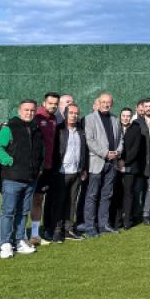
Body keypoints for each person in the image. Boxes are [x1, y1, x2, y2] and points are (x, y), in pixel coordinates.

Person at [0, 99, 44, 258]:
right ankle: (5, 244)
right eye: (26, 110)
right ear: (19, 111)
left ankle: (19, 240)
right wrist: (8, 161)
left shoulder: (36, 128)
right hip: (12, 177)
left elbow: (41, 151)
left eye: (32, 110)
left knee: (23, 212)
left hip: (30, 179)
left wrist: (39, 167)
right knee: (8, 212)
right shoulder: (9, 127)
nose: (29, 113)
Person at [82, 92, 123, 237]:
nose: (106, 104)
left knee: (107, 195)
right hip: (96, 162)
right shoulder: (89, 119)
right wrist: (105, 153)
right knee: (92, 195)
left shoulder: (115, 119)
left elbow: (121, 139)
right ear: (98, 103)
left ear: (112, 104)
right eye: (103, 102)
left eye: (108, 102)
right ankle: (90, 226)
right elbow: (90, 141)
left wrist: (117, 152)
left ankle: (103, 224)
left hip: (112, 163)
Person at [48, 103, 87, 241]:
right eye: (71, 113)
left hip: (76, 172)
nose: (74, 116)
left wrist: (83, 168)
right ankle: (57, 230)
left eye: (76, 113)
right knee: (59, 202)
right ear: (65, 114)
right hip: (61, 172)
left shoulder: (81, 131)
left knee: (72, 202)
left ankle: (68, 229)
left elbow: (84, 151)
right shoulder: (58, 130)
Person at [31, 92, 59, 245]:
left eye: (55, 104)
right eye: (50, 103)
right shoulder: (36, 117)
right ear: (44, 103)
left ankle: (35, 235)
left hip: (47, 167)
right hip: (34, 168)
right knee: (24, 201)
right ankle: (18, 235)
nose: (53, 106)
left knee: (38, 199)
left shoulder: (54, 119)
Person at [113, 107, 138, 229]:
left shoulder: (136, 129)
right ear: (120, 116)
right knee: (117, 193)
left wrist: (125, 162)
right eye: (123, 115)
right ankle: (116, 221)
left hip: (130, 166)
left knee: (128, 193)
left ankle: (127, 220)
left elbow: (135, 149)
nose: (125, 118)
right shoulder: (115, 127)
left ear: (131, 117)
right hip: (115, 165)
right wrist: (117, 161)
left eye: (128, 116)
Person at [133, 98, 150, 223]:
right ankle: (135, 213)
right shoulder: (136, 123)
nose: (148, 108)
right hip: (139, 162)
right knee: (137, 189)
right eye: (146, 106)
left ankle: (146, 214)